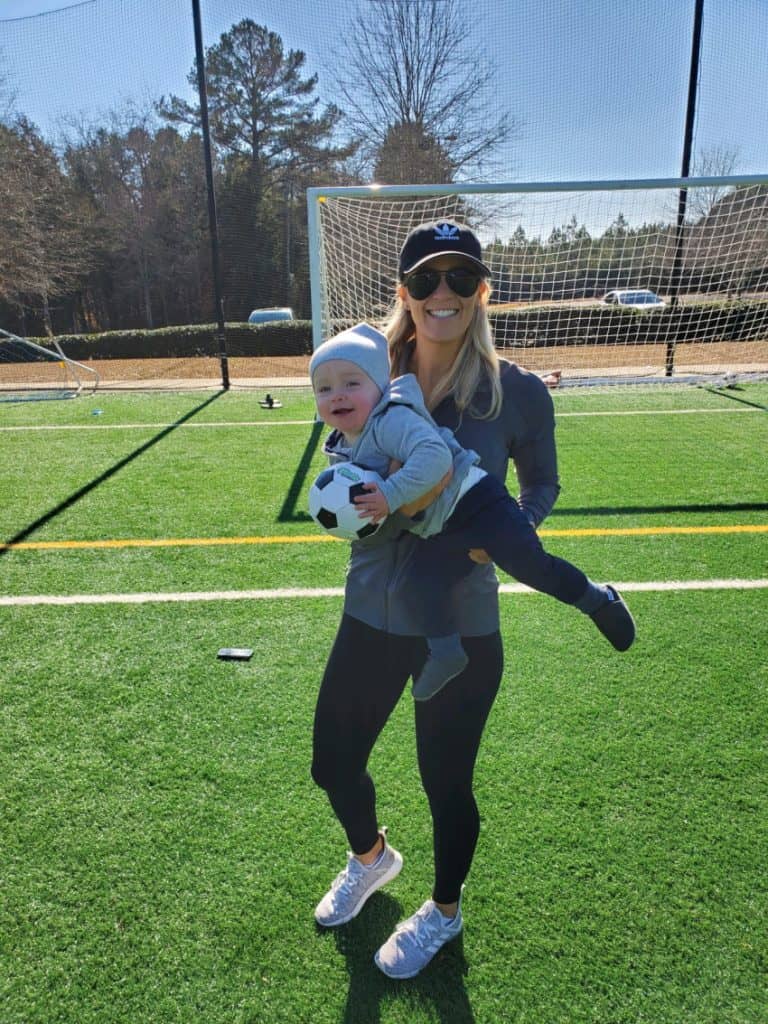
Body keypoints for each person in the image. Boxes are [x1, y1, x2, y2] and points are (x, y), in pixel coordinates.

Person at [310, 219, 635, 980]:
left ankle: (444, 913)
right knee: (332, 763)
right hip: (372, 611)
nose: (442, 294)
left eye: (459, 278)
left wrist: (516, 528)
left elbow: (543, 483)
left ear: (481, 290)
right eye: (425, 280)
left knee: (446, 783)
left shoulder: (514, 390)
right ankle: (372, 858)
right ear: (405, 293)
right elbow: (338, 449)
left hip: (460, 623)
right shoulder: (368, 367)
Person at [309, 323, 634, 700]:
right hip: (440, 530)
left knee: (529, 565)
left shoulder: (390, 419)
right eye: (324, 388)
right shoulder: (344, 444)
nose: (338, 396)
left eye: (352, 383)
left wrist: (389, 494)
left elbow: (434, 457)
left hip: (478, 503)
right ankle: (447, 652)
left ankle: (597, 599)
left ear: (380, 387)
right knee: (420, 587)